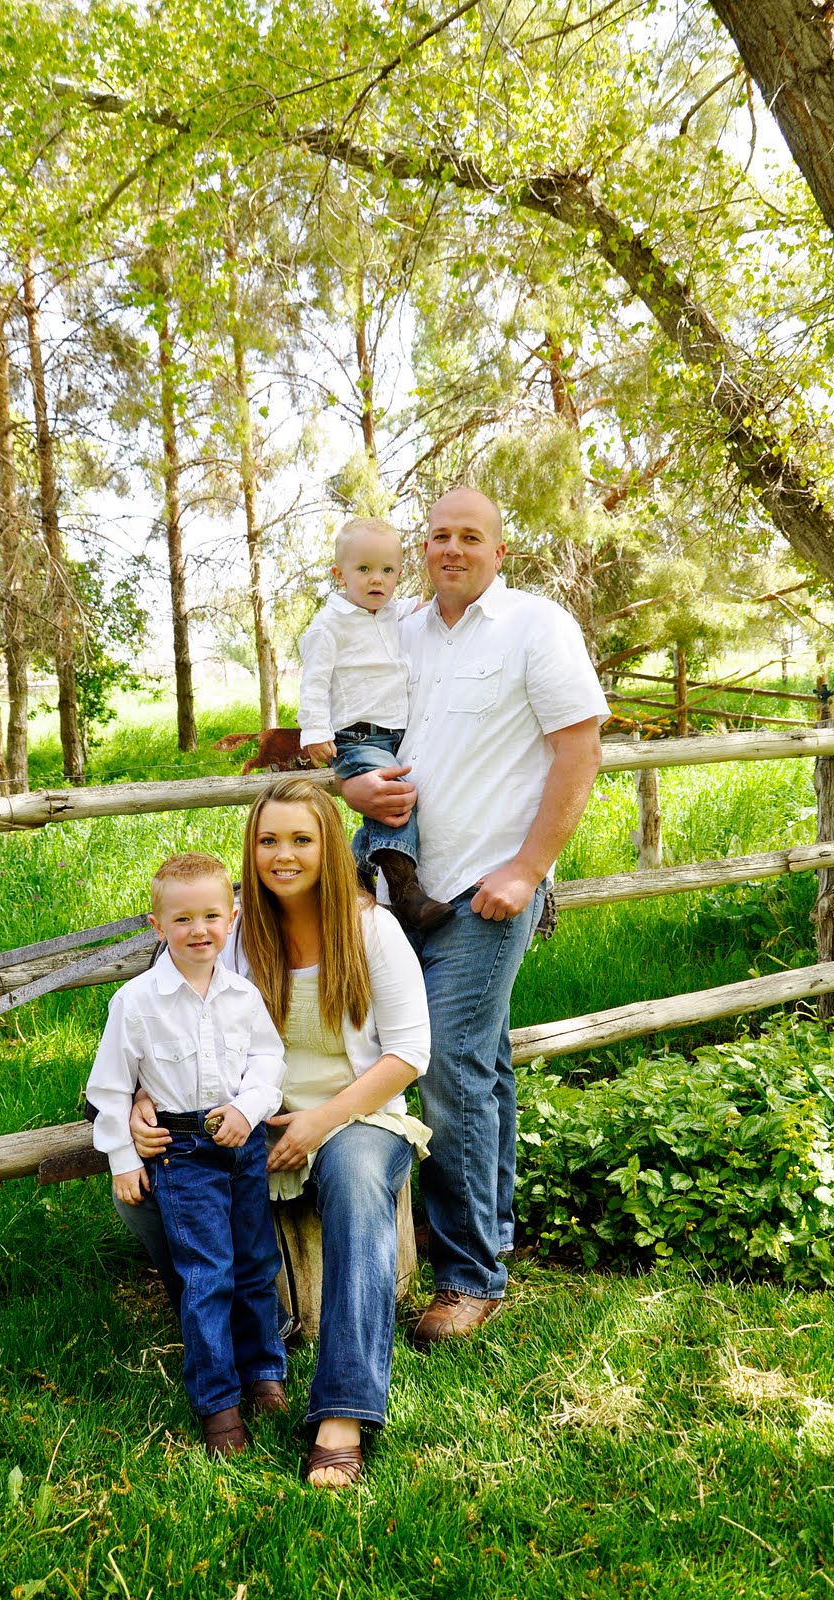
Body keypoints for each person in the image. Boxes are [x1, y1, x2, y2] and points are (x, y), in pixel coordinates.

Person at [338, 486, 609, 1347]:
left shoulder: (535, 626)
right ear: (422, 549)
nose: (450, 548)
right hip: (400, 887)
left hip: (485, 891)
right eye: (437, 536)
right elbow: (360, 732)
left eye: (469, 536)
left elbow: (578, 748)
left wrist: (527, 870)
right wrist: (354, 786)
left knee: (446, 1063)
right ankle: (480, 1233)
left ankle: (468, 1275)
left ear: (498, 550)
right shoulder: (397, 630)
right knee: (477, 1067)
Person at [125, 779, 431, 1488]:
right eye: (268, 840)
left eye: (301, 839)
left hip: (355, 1114)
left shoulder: (371, 930)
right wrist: (141, 1097)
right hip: (248, 1118)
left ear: (330, 846)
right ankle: (233, 1336)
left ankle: (342, 1412)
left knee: (356, 1180)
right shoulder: (233, 933)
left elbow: (409, 1053)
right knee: (141, 1193)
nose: (282, 855)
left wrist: (321, 1121)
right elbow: (158, 1020)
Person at [85, 852, 288, 1458]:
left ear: (232, 918)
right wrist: (123, 1157)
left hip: (240, 1141)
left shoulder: (242, 995)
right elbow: (109, 1089)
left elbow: (268, 1061)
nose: (199, 930)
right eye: (182, 919)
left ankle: (264, 1373)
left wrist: (249, 1109)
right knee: (207, 1274)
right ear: (157, 926)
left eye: (211, 916)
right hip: (181, 1152)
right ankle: (218, 1404)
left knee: (256, 1261)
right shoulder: (136, 1002)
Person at [298, 516, 452, 932]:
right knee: (393, 798)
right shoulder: (329, 625)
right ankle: (405, 892)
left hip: (393, 735)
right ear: (340, 575)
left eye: (387, 570)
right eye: (364, 569)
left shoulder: (389, 613)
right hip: (355, 735)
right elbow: (314, 681)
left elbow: (421, 607)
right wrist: (315, 732)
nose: (376, 579)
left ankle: (354, 866)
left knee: (395, 796)